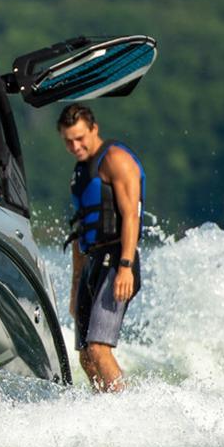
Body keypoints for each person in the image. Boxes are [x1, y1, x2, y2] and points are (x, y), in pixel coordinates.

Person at [58, 104, 145, 392]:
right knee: (85, 356)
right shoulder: (81, 171)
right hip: (91, 263)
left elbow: (131, 216)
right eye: (68, 141)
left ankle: (126, 407)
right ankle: (103, 407)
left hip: (117, 260)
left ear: (94, 129)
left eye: (80, 138)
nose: (75, 146)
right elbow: (80, 232)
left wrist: (126, 266)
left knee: (98, 347)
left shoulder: (116, 160)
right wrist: (75, 287)